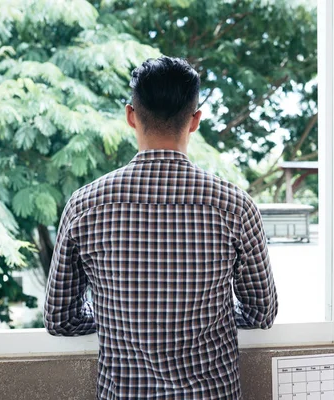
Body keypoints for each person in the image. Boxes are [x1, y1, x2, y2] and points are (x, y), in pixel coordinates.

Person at [44, 56, 278, 399]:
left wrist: (116, 317)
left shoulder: (85, 206)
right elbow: (262, 312)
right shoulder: (235, 206)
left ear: (130, 116)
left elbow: (60, 319)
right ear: (195, 120)